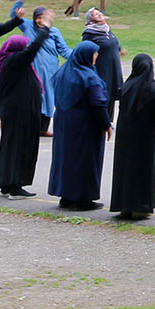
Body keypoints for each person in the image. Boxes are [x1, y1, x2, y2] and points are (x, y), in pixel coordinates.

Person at [109, 54, 155, 220]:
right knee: (144, 169)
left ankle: (123, 204)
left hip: (125, 135)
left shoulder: (126, 86)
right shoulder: (153, 88)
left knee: (125, 169)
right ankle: (141, 205)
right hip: (145, 136)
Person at [47, 39, 111, 210]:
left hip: (63, 121)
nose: (97, 56)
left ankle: (66, 195)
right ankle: (82, 198)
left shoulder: (63, 72)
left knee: (65, 158)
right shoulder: (89, 77)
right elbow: (98, 103)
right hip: (84, 124)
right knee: (84, 159)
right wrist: (106, 124)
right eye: (95, 53)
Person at [0, 21, 52, 199]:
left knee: (10, 147)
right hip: (20, 113)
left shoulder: (10, 62)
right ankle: (15, 185)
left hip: (14, 111)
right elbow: (32, 49)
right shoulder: (15, 61)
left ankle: (6, 183)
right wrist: (44, 31)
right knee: (19, 147)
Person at [79, 9, 124, 125]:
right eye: (96, 14)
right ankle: (100, 119)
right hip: (102, 66)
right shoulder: (89, 33)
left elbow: (114, 42)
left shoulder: (107, 29)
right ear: (91, 18)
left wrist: (120, 49)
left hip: (113, 66)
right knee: (104, 92)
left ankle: (109, 119)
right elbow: (86, 49)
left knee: (113, 91)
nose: (99, 14)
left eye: (100, 13)